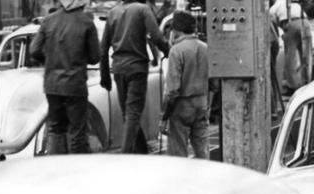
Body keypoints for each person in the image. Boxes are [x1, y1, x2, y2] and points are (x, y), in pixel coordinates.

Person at [29, 0, 101, 154]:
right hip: (75, 85)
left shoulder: (49, 20)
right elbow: (95, 56)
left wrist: (49, 60)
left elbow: (34, 50)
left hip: (52, 85)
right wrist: (80, 56)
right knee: (77, 133)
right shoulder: (86, 22)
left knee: (55, 129)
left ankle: (56, 170)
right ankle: (75, 172)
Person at [100, 0, 169, 153]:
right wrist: (168, 50)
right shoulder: (142, 9)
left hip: (118, 69)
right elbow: (156, 36)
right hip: (136, 68)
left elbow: (103, 47)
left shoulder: (113, 12)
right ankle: (126, 155)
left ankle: (142, 152)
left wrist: (104, 75)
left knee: (129, 115)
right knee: (132, 114)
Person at [161, 11, 209, 158]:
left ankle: (179, 180)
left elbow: (172, 90)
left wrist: (164, 117)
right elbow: (213, 82)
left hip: (182, 106)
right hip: (201, 103)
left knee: (178, 153)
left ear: (175, 30)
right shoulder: (204, 47)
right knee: (202, 151)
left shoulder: (176, 50)